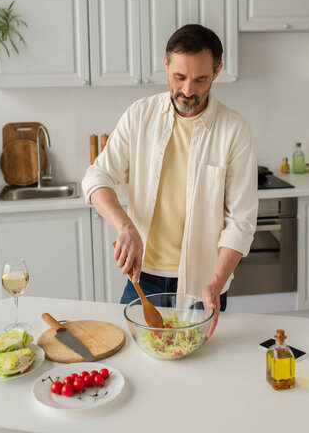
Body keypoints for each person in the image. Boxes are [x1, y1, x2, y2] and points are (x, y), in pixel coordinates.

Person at [82, 24, 258, 338]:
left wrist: (215, 284)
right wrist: (125, 227)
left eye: (200, 79)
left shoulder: (235, 130)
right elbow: (97, 177)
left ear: (216, 72)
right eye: (179, 77)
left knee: (199, 375)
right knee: (133, 364)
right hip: (143, 279)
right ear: (166, 64)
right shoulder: (140, 115)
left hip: (204, 284)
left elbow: (241, 222)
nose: (188, 90)